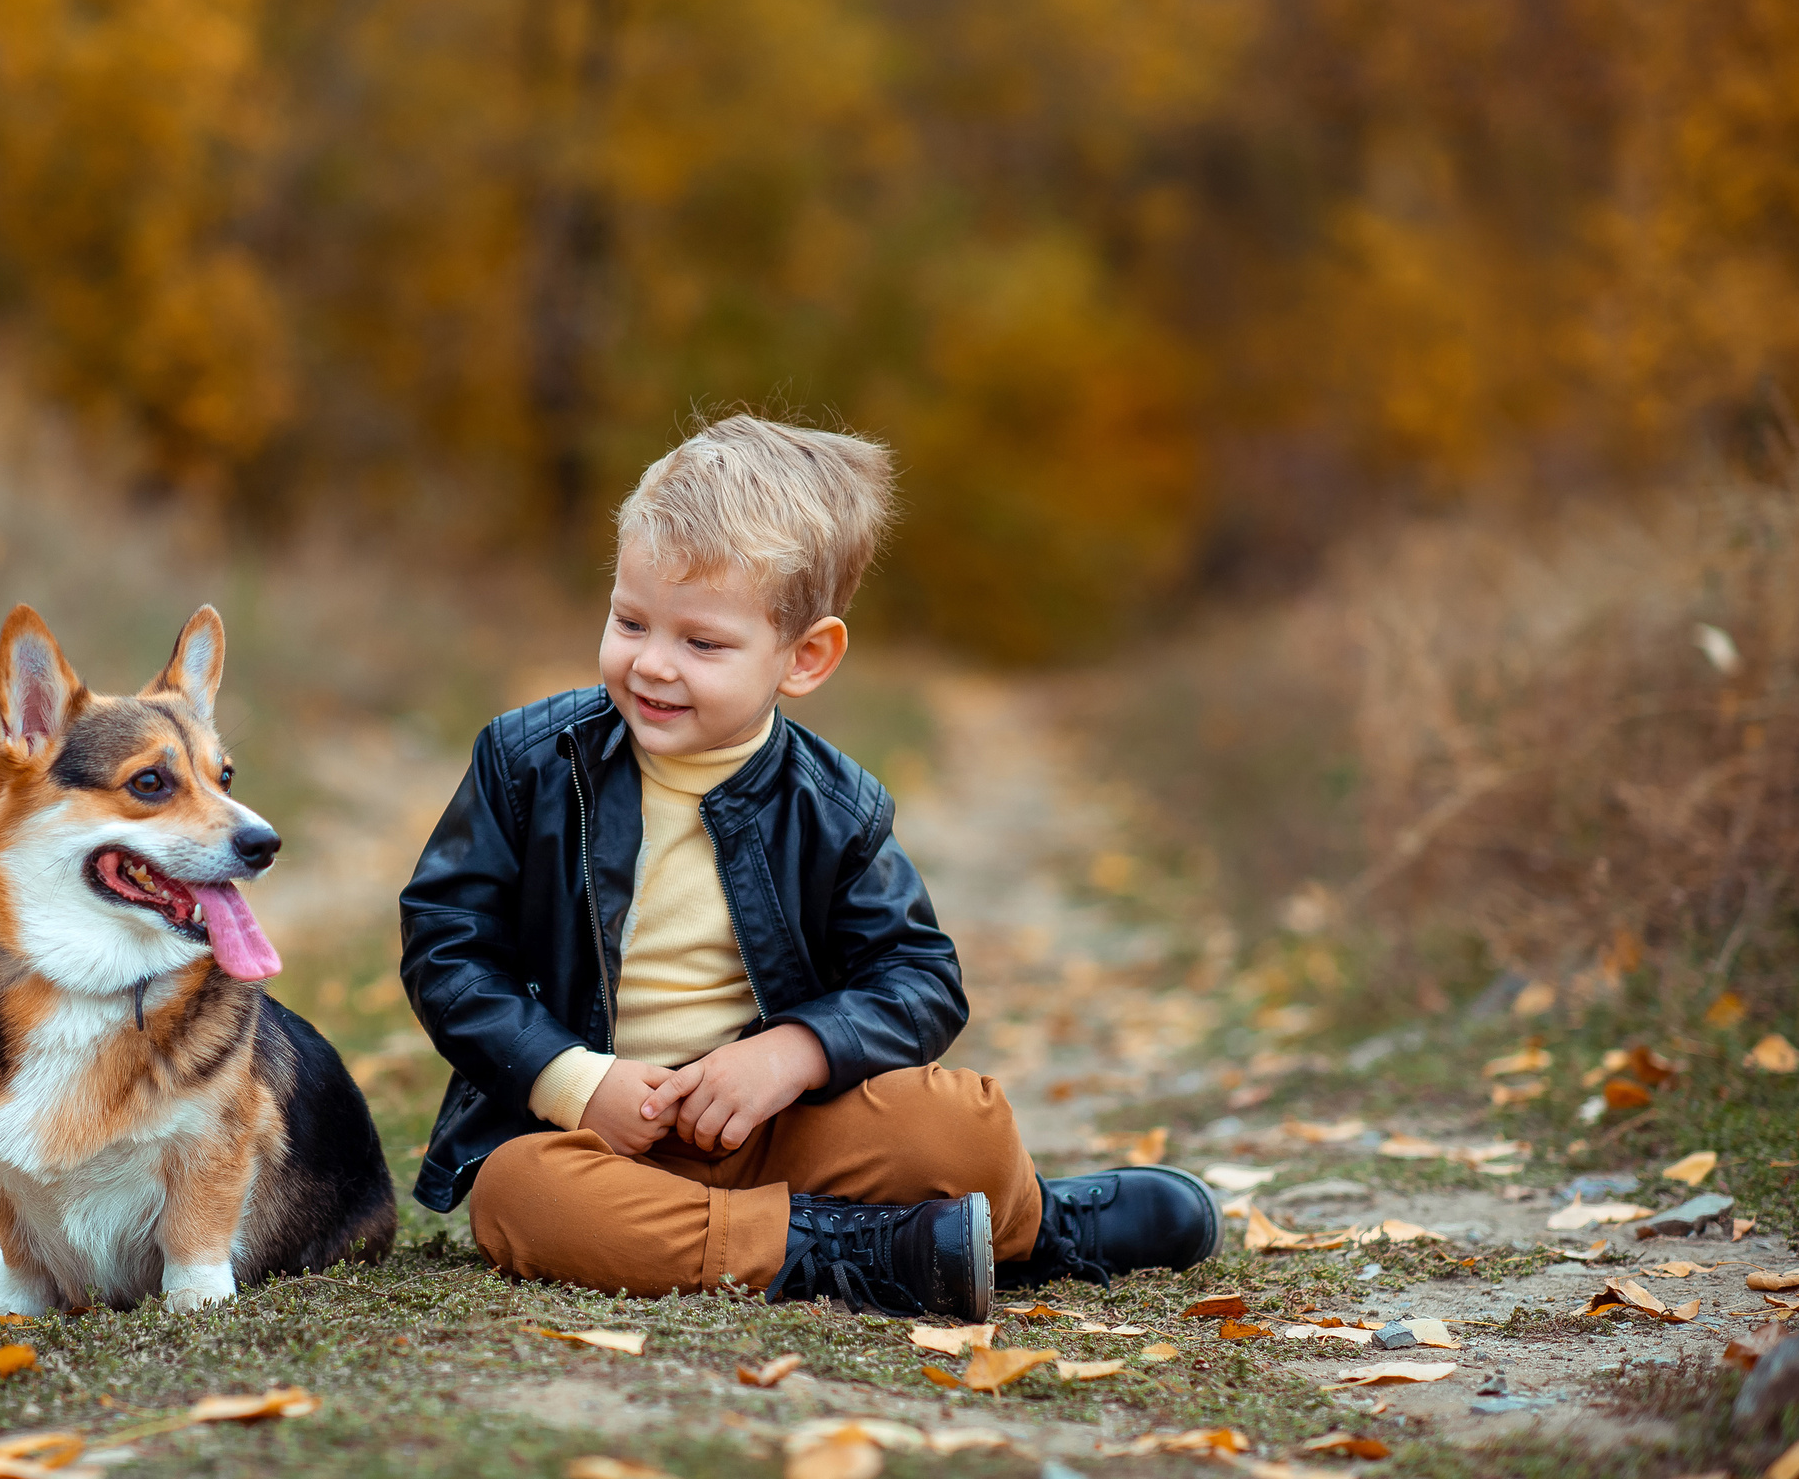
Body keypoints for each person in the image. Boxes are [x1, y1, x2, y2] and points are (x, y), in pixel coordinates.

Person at [396, 414, 1218, 1317]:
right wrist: (573, 1078)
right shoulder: (527, 762)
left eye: (702, 643)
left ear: (805, 657)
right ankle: (857, 1249)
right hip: (595, 1142)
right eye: (630, 620)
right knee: (521, 1199)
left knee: (964, 1125)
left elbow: (920, 979)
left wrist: (791, 1054)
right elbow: (447, 944)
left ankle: (1028, 1225)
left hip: (776, 1130)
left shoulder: (833, 806)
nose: (653, 664)